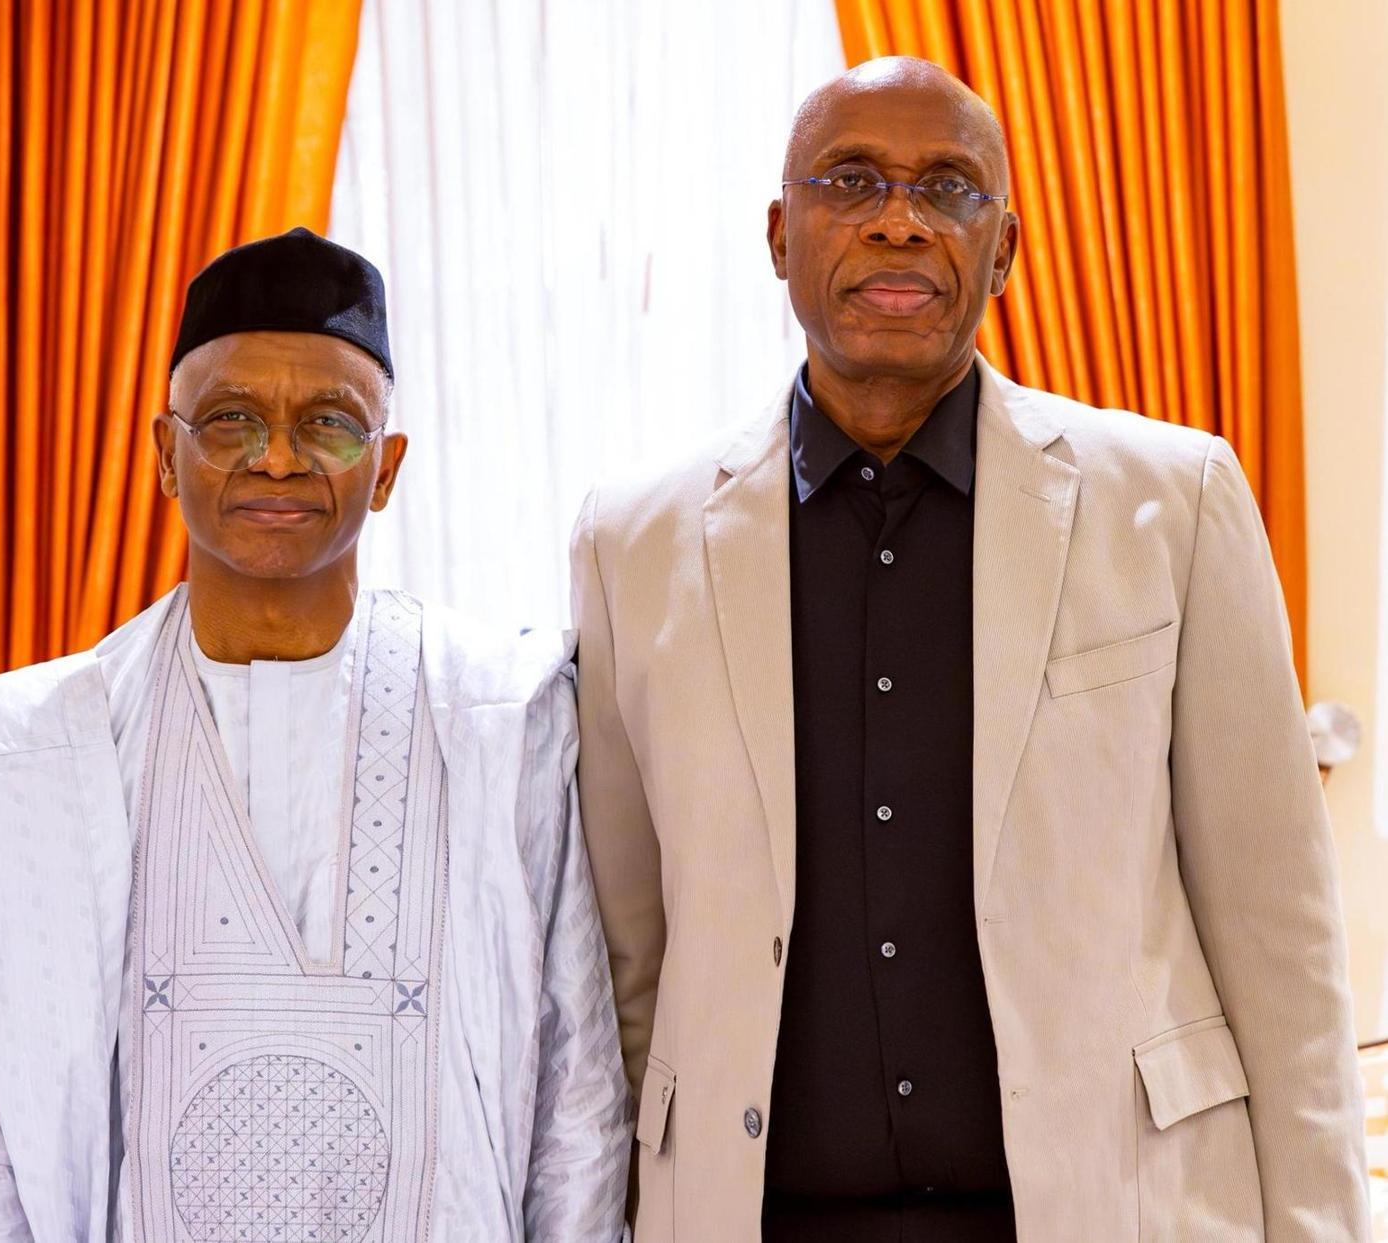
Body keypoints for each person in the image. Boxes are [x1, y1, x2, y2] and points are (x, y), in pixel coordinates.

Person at [571, 57, 1368, 1241]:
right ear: (780, 236)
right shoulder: (630, 545)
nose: (898, 219)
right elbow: (628, 957)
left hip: (1112, 1208)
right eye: (851, 181)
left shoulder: (1173, 501)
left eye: (946, 188)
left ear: (1002, 251)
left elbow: (1278, 940)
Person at [0, 227, 630, 1242]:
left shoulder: (497, 717)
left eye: (330, 423)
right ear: (165, 454)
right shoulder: (39, 758)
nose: (277, 456)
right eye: (230, 419)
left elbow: (576, 1101)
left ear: (386, 467)